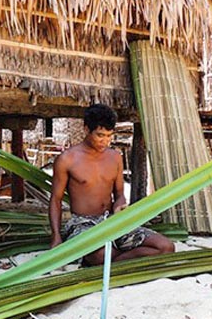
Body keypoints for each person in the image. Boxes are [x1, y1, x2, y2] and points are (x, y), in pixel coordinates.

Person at [49, 104, 175, 266]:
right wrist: (56, 237)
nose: (105, 141)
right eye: (100, 135)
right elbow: (55, 200)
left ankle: (113, 259)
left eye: (109, 136)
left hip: (111, 220)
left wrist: (120, 204)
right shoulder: (67, 159)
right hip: (83, 223)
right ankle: (118, 258)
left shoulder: (115, 157)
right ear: (87, 129)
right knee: (99, 255)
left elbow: (120, 194)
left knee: (166, 247)